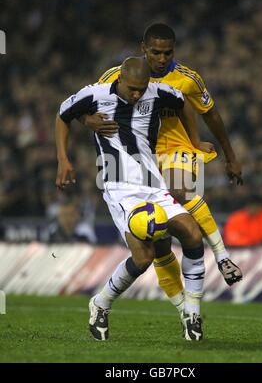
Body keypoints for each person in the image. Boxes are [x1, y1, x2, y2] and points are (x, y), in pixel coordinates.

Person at [79, 23, 243, 311]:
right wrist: (86, 120)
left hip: (176, 147)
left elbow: (210, 114)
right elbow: (90, 105)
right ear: (143, 49)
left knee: (180, 189)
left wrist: (228, 154)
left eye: (168, 53)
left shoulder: (188, 79)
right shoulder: (117, 75)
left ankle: (222, 255)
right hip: (138, 156)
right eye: (156, 52)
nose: (162, 58)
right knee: (158, 242)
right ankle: (184, 309)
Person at [56, 57, 209, 341]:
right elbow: (63, 114)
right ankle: (101, 303)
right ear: (119, 80)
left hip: (153, 183)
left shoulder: (158, 91)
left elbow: (185, 102)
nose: (137, 94)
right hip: (118, 187)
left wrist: (195, 141)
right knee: (143, 257)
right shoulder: (96, 94)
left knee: (191, 233)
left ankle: (193, 311)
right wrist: (63, 159)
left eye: (142, 88)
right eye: (132, 88)